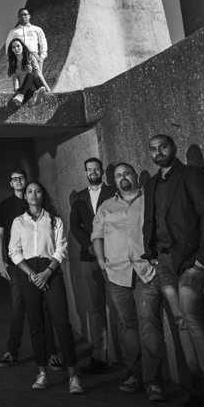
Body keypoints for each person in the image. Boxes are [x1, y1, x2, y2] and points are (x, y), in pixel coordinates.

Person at [141, 134, 204, 407]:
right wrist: (151, 252)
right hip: (164, 262)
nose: (158, 152)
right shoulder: (151, 184)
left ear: (174, 148)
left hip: (193, 261)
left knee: (193, 317)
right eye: (153, 149)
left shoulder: (194, 175)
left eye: (163, 147)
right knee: (181, 321)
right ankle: (198, 390)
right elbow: (150, 221)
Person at [91, 163, 165, 401]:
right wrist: (102, 263)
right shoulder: (106, 206)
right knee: (127, 325)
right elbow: (97, 236)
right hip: (116, 273)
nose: (123, 177)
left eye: (126, 173)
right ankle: (134, 376)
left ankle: (154, 382)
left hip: (146, 272)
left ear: (135, 176)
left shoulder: (149, 201)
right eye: (118, 175)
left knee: (149, 324)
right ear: (114, 181)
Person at [8, 181, 84, 395]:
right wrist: (31, 274)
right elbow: (14, 251)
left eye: (37, 191)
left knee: (61, 322)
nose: (33, 194)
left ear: (43, 195)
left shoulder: (54, 220)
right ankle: (42, 373)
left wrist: (47, 272)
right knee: (36, 323)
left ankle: (73, 376)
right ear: (25, 197)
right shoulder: (18, 222)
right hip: (29, 273)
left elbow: (61, 249)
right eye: (29, 191)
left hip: (51, 271)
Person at [0, 169, 60, 371]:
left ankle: (52, 353)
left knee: (45, 307)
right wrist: (1, 261)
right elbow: (0, 234)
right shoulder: (5, 205)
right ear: (10, 183)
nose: (18, 181)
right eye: (14, 179)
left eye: (21, 178)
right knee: (18, 307)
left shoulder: (36, 202)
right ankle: (12, 352)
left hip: (40, 263)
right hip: (16, 264)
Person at [69, 157, 116, 375]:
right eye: (89, 169)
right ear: (85, 172)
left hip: (115, 257)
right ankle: (100, 357)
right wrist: (90, 245)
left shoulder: (114, 193)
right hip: (89, 258)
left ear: (102, 171)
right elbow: (74, 225)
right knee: (96, 308)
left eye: (96, 169)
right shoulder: (78, 197)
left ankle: (131, 362)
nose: (93, 172)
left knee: (122, 307)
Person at [6, 38, 50, 106]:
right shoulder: (13, 63)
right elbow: (15, 79)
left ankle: (22, 95)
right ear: (11, 49)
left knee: (29, 75)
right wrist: (17, 91)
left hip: (37, 84)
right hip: (26, 88)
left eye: (18, 46)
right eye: (13, 47)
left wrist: (47, 88)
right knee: (28, 87)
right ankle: (35, 95)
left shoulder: (30, 57)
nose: (16, 48)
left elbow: (38, 73)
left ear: (22, 46)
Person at [4, 7, 47, 72]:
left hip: (34, 55)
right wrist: (10, 58)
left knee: (37, 76)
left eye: (25, 14)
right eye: (20, 15)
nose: (23, 16)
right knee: (22, 77)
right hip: (19, 57)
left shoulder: (37, 29)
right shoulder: (13, 32)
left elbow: (43, 42)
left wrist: (42, 57)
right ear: (18, 18)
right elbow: (8, 44)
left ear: (29, 16)